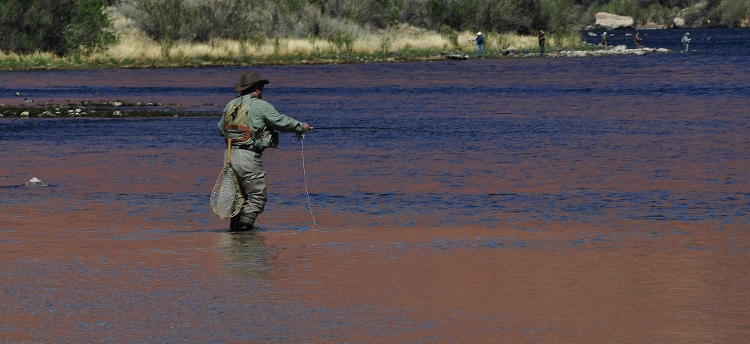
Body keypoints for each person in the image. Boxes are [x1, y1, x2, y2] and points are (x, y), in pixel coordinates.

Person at [218, 71, 313, 231]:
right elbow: (281, 122)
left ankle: (234, 236)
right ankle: (244, 231)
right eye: (261, 88)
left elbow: (221, 129)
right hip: (247, 157)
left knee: (238, 198)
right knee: (256, 196)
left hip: (228, 155)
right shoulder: (260, 105)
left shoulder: (230, 104)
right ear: (256, 89)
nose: (261, 91)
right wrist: (301, 126)